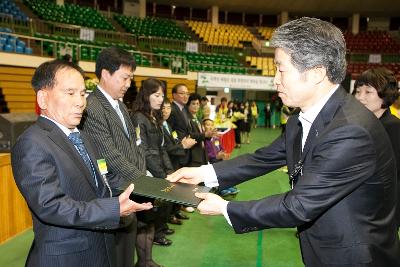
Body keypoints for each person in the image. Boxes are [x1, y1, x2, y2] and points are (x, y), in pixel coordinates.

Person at [168, 17, 400, 266]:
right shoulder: (303, 118)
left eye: (281, 69)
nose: (275, 80)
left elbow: (298, 205)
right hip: (323, 246)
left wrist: (225, 208)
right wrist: (203, 172)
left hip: (353, 256)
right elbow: (263, 158)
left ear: (316, 73)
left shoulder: (351, 131)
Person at [11, 59, 152, 267]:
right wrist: (113, 209)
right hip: (67, 257)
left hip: (100, 248)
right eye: (70, 93)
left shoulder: (82, 135)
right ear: (43, 98)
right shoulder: (32, 143)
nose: (80, 101)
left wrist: (150, 187)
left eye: (83, 93)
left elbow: (101, 180)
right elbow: (51, 206)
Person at [80, 47, 146, 267]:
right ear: (106, 73)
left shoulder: (120, 105)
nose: (128, 84)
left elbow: (135, 146)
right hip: (113, 194)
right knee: (114, 258)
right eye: (125, 77)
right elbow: (110, 156)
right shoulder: (93, 107)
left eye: (131, 78)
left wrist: (142, 178)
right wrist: (147, 183)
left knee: (126, 257)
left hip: (129, 190)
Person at [353, 67, 400, 229]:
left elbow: (392, 174)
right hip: (361, 206)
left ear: (385, 95)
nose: (360, 98)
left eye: (368, 92)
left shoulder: (393, 127)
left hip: (381, 212)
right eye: (358, 92)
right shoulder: (363, 125)